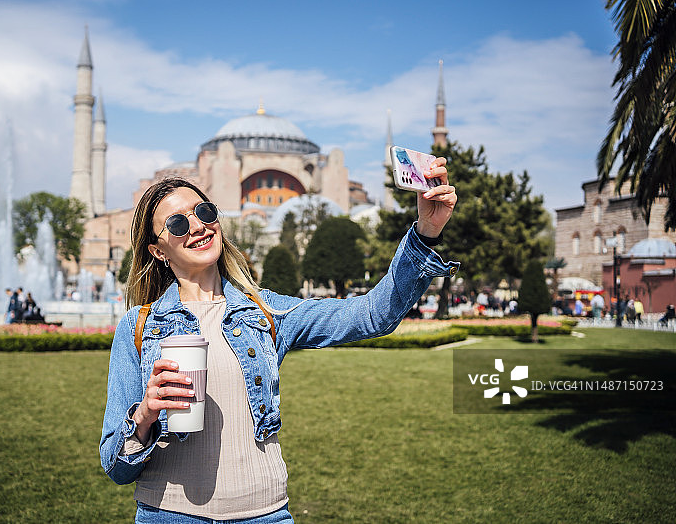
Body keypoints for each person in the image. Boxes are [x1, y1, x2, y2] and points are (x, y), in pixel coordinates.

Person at [100, 169, 458, 523]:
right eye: (177, 224)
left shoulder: (268, 312)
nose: (197, 226)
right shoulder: (138, 327)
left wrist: (425, 233)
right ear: (158, 250)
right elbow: (115, 466)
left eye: (204, 212)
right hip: (171, 515)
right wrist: (145, 416)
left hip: (264, 515)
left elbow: (372, 315)